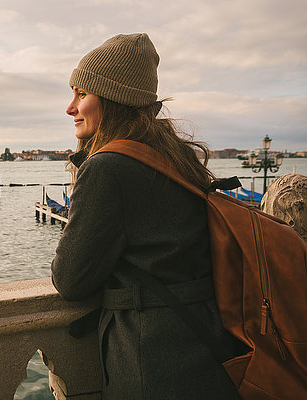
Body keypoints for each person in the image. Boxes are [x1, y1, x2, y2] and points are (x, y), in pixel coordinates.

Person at [51, 33, 242, 399]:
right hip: (207, 345)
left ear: (112, 99)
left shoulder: (108, 168)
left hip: (150, 362)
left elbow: (71, 280)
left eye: (81, 94)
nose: (70, 107)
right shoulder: (174, 156)